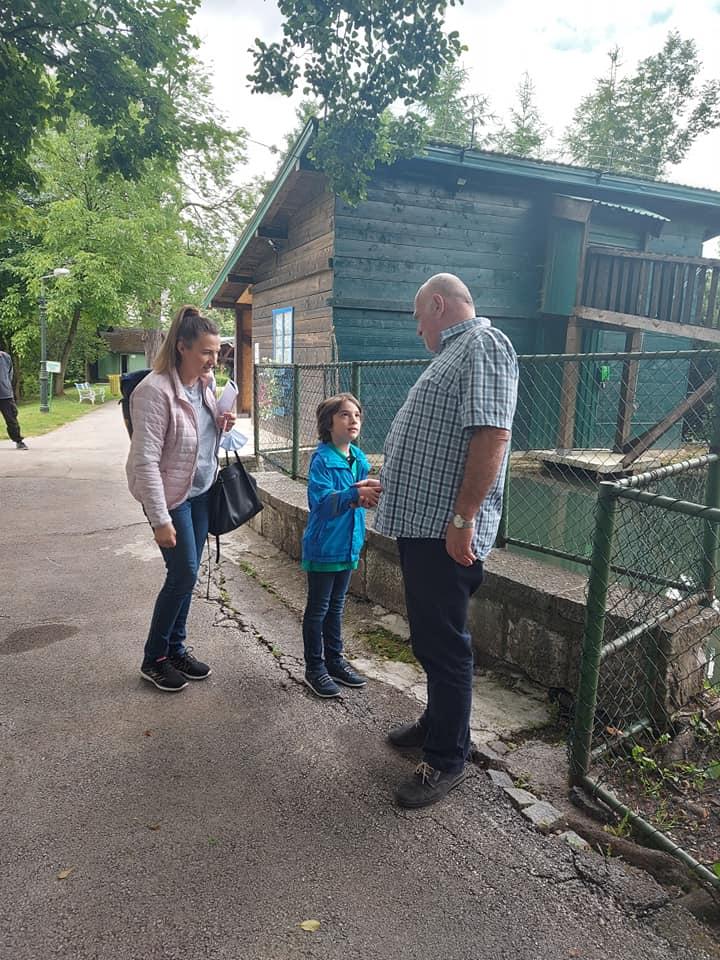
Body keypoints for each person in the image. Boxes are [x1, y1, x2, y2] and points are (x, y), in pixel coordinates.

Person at [374, 273, 518, 809]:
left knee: (445, 643)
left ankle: (446, 758)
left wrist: (464, 519)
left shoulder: (483, 344)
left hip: (444, 531)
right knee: (431, 640)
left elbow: (492, 435)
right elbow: (439, 445)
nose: (417, 329)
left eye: (417, 318)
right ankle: (437, 723)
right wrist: (386, 484)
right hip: (425, 524)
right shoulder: (457, 353)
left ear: (437, 305)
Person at [126, 305, 236, 692]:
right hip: (171, 497)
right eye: (207, 351)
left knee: (187, 575)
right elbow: (146, 461)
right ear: (182, 347)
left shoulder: (203, 385)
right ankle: (153, 658)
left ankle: (175, 647)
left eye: (217, 351)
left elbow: (200, 442)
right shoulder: (153, 392)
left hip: (202, 492)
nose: (214, 358)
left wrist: (221, 423)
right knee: (183, 573)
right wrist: (160, 519)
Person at [301, 393, 381, 698]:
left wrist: (366, 492)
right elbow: (320, 503)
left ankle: (335, 661)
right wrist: (355, 493)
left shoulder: (358, 459)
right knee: (318, 609)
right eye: (345, 415)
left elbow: (356, 497)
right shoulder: (322, 460)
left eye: (357, 415)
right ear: (329, 423)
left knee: (336, 606)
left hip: (349, 544)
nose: (353, 420)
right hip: (324, 547)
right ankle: (314, 668)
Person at [0, 350, 28, 450]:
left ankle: (19, 441)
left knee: (12, 419)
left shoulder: (5, 357)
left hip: (5, 394)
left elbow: (10, 374)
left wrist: (6, 385)